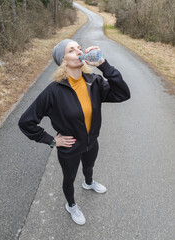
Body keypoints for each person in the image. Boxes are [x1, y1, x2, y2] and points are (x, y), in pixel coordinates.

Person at [18, 39, 130, 225]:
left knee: (89, 167)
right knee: (69, 178)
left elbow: (123, 94)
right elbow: (26, 122)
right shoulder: (53, 91)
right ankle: (71, 205)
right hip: (69, 147)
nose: (79, 51)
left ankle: (88, 182)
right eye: (72, 50)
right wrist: (52, 140)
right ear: (62, 60)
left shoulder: (94, 82)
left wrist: (104, 65)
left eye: (79, 48)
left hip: (91, 142)